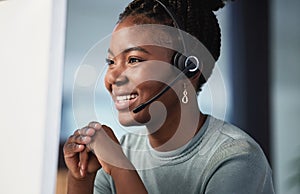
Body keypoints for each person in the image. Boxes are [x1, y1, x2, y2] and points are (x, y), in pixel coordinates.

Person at [63, 0, 275, 193]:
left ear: (188, 68)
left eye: (134, 60)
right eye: (111, 62)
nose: (113, 77)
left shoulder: (236, 158)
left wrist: (121, 168)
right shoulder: (122, 152)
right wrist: (81, 179)